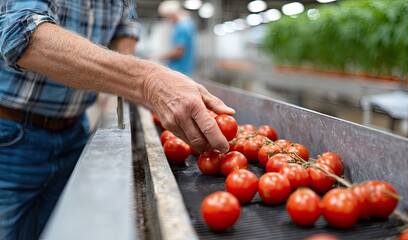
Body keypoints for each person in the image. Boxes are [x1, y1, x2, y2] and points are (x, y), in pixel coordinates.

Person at [0, 0, 234, 239]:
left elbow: (125, 32)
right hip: (10, 135)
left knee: (63, 228)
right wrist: (147, 81)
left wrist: (157, 91)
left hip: (74, 131)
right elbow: (22, 33)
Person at [157, 0, 196, 76]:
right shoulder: (188, 24)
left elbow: (179, 52)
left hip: (180, 71)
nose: (166, 20)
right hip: (186, 69)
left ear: (171, 14)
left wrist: (159, 56)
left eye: (165, 17)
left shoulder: (182, 27)